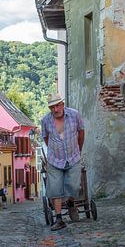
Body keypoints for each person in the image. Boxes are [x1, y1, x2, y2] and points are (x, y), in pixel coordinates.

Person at [38, 92, 85, 231]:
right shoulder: (45, 121)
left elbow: (81, 132)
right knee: (55, 190)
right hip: (55, 160)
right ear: (49, 108)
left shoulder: (74, 115)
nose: (55, 109)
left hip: (73, 157)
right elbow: (46, 139)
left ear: (62, 104)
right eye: (52, 107)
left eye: (57, 106)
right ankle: (59, 219)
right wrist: (55, 151)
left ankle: (71, 203)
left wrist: (78, 149)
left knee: (75, 187)